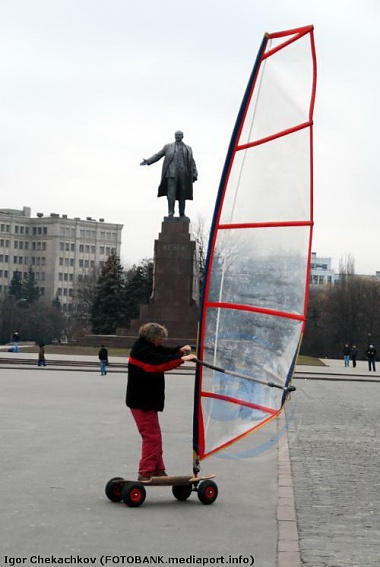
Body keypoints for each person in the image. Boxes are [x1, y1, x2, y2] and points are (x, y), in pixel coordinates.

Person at [126, 322, 197, 480]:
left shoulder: (147, 346)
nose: (161, 342)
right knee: (152, 437)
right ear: (153, 338)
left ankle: (158, 469)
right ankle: (145, 472)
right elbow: (159, 364)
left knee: (154, 436)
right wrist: (183, 359)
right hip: (141, 402)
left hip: (146, 401)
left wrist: (179, 351)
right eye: (160, 339)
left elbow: (164, 353)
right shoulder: (142, 350)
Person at [140, 130, 198, 217]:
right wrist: (148, 161)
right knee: (171, 193)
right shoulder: (168, 147)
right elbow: (158, 155)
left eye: (179, 135)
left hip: (183, 174)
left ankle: (182, 213)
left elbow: (191, 161)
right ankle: (171, 212)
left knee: (183, 193)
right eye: (176, 135)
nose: (177, 136)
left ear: (182, 136)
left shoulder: (188, 148)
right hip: (171, 173)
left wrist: (194, 171)